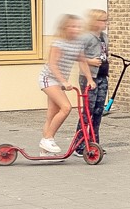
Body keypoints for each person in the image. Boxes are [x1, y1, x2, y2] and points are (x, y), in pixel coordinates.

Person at [37, 13, 86, 156]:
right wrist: (64, 81)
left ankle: (45, 152)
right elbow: (52, 64)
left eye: (78, 27)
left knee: (51, 115)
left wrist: (90, 79)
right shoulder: (58, 43)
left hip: (58, 82)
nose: (76, 29)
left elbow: (82, 61)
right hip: (48, 79)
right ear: (65, 27)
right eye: (72, 26)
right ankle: (47, 139)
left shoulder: (77, 44)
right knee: (66, 107)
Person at [79, 8, 111, 134]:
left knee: (98, 111)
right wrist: (90, 62)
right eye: (103, 20)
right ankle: (80, 143)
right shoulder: (86, 37)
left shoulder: (104, 37)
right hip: (89, 77)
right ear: (95, 21)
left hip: (102, 76)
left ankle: (94, 143)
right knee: (88, 111)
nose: (106, 23)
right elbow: (78, 57)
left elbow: (103, 53)